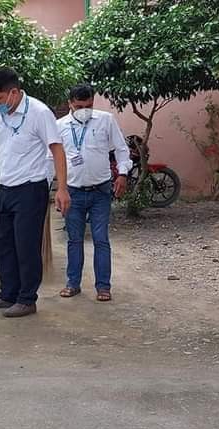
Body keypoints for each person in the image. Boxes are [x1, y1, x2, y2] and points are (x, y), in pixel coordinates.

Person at [0, 67, 70, 318]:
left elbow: (57, 149)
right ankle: (8, 294)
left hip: (31, 188)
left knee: (26, 246)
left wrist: (62, 188)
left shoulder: (39, 112)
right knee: (4, 243)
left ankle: (27, 299)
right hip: (6, 187)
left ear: (14, 93)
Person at [56, 84, 130, 302]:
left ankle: (103, 287)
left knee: (101, 239)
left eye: (88, 105)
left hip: (101, 190)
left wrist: (123, 174)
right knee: (74, 240)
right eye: (79, 106)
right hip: (73, 192)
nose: (84, 110)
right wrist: (57, 189)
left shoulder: (105, 120)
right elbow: (50, 158)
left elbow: (121, 149)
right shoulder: (59, 126)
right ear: (70, 103)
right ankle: (73, 283)